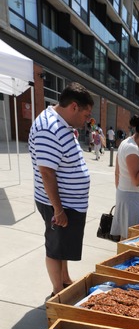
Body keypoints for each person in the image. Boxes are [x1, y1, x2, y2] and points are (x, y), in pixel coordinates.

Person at [29, 81, 94, 297]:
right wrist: (58, 210)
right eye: (86, 115)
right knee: (56, 247)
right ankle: (58, 291)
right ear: (74, 107)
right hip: (56, 203)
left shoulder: (61, 124)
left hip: (67, 202)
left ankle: (64, 279)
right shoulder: (49, 127)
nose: (86, 121)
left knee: (63, 245)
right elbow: (47, 172)